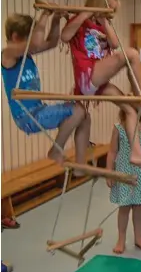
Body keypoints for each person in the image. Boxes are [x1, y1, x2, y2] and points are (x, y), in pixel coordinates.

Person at [61, 0, 141, 172]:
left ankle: (135, 153)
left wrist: (104, 20)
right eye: (109, 10)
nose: (111, 15)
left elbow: (113, 44)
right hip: (88, 75)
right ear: (98, 6)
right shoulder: (80, 21)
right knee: (132, 54)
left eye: (113, 12)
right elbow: (65, 36)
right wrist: (84, 14)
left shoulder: (103, 25)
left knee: (129, 110)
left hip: (99, 82)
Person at [1, 11, 91, 168]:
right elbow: (36, 43)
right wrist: (44, 15)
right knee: (78, 111)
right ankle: (56, 150)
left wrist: (55, 20)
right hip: (27, 117)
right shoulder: (7, 54)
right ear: (16, 37)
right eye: (30, 37)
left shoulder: (25, 55)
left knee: (84, 116)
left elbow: (51, 42)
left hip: (38, 110)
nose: (33, 42)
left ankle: (81, 164)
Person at [106, 106, 141, 254]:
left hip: (139, 173)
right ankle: (121, 239)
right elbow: (112, 151)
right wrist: (110, 172)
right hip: (123, 172)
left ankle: (138, 237)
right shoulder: (119, 128)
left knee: (138, 206)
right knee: (124, 207)